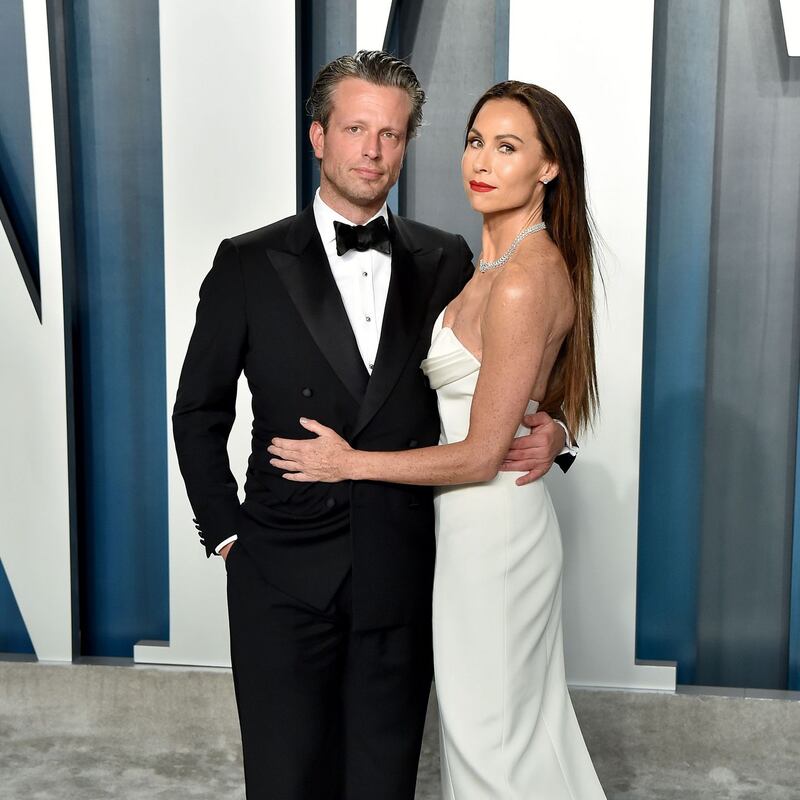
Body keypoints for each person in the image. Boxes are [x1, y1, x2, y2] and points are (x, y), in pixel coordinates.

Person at [172, 53, 570, 799]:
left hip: (406, 569)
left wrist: (558, 433)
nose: (372, 149)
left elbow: (518, 367)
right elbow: (198, 412)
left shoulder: (447, 258)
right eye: (356, 129)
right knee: (285, 781)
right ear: (318, 136)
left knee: (384, 784)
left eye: (391, 133)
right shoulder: (248, 262)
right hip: (279, 575)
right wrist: (229, 535)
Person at [269, 80, 607, 798]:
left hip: (492, 530)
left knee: (490, 739)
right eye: (475, 140)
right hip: (461, 527)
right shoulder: (478, 263)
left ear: (549, 168)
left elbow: (484, 451)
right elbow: (526, 394)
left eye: (508, 147)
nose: (482, 161)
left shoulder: (522, 280)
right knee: (503, 731)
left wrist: (348, 463)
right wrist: (557, 432)